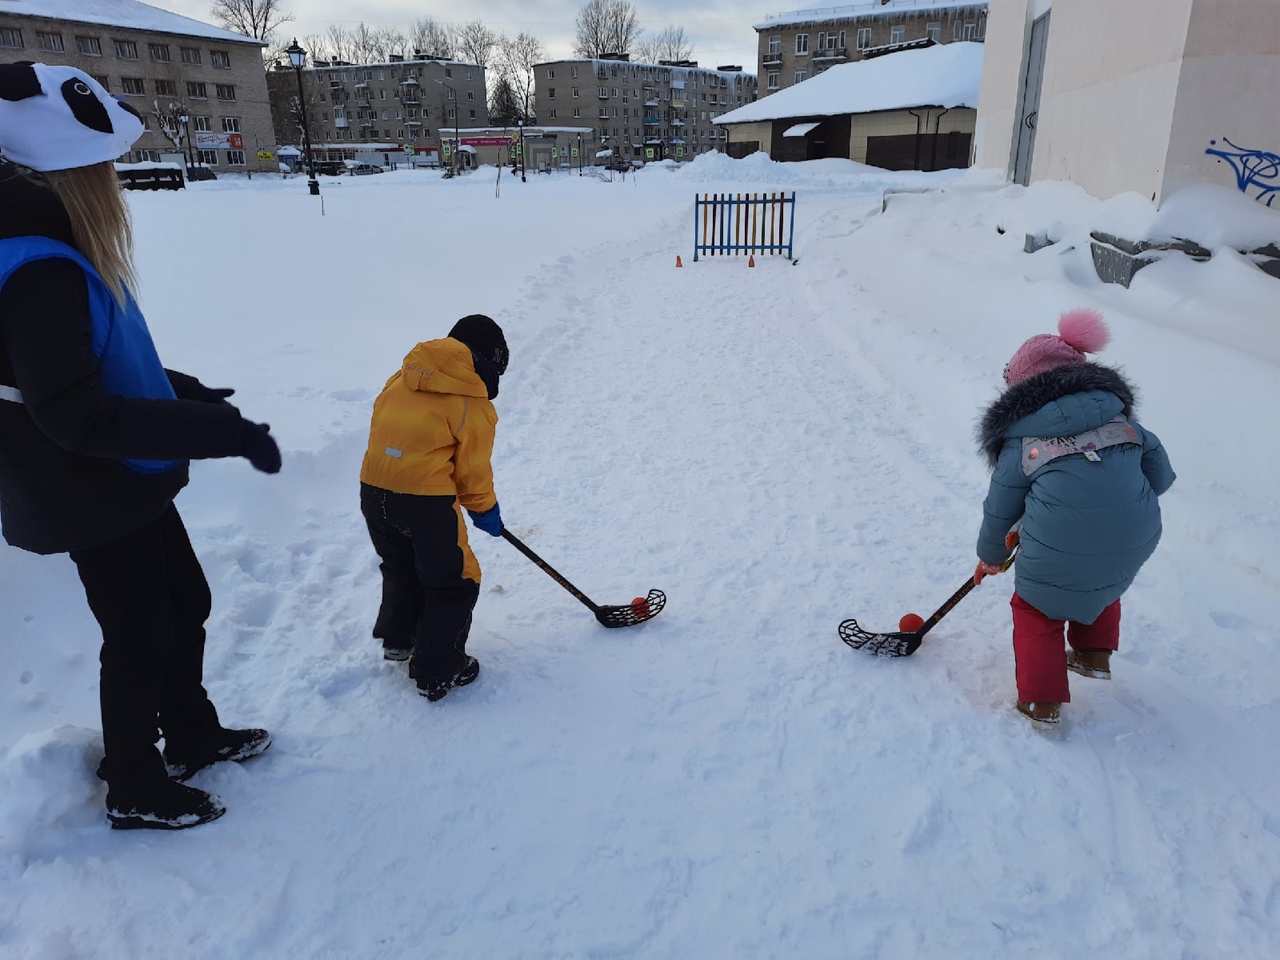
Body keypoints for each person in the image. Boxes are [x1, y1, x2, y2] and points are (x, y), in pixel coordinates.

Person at [0, 63, 282, 829]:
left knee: (183, 601)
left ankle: (191, 733)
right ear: (69, 171)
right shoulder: (38, 267)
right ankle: (132, 780)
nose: (116, 180)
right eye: (106, 166)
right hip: (82, 483)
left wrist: (181, 390)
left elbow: (95, 356)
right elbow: (74, 416)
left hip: (121, 474)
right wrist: (213, 432)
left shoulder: (52, 239)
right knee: (137, 630)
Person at [974, 308, 1175, 725]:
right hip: (1135, 533)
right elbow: (1162, 476)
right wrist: (1115, 503)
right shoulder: (1120, 419)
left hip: (1064, 542)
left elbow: (1001, 508)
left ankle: (1041, 700)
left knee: (1035, 607)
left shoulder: (1022, 439)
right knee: (1098, 576)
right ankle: (1093, 654)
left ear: (1023, 388)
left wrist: (991, 555)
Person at [359, 314, 508, 701]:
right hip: (424, 502)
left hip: (373, 490)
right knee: (454, 580)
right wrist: (485, 510)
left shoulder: (404, 375)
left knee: (401, 564)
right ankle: (437, 669)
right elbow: (473, 475)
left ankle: (400, 639)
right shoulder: (471, 402)